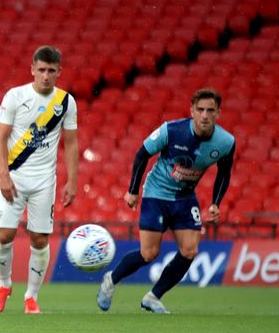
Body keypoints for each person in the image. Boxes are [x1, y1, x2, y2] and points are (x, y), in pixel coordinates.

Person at [97, 88, 235, 314]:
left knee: (190, 251)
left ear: (218, 113)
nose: (205, 115)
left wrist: (215, 203)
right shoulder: (171, 131)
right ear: (192, 110)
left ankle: (153, 297)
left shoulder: (226, 141)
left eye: (210, 110)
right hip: (156, 193)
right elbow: (142, 154)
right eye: (200, 110)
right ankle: (111, 279)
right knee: (149, 254)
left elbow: (224, 173)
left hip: (185, 197)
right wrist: (133, 191)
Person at [0, 45, 79, 314]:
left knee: (39, 240)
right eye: (41, 70)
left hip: (44, 181)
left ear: (59, 72)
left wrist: (72, 180)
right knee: (4, 235)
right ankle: (4, 285)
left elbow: (71, 144)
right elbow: (0, 138)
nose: (46, 76)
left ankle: (31, 297)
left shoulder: (66, 102)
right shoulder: (15, 96)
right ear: (32, 70)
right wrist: (3, 175)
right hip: (14, 177)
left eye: (51, 71)